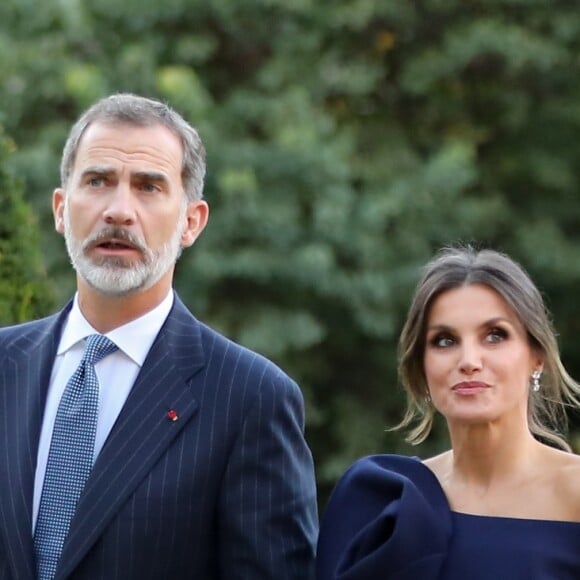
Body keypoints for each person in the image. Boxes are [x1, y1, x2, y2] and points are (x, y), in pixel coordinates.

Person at [0, 93, 318, 580]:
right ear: (61, 209)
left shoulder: (252, 399)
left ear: (192, 222)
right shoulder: (6, 365)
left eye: (148, 187)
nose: (119, 211)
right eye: (98, 181)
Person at [316, 246, 580, 580]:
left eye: (494, 336)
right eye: (444, 340)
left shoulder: (574, 493)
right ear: (420, 366)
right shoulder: (383, 500)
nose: (469, 360)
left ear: (536, 357)